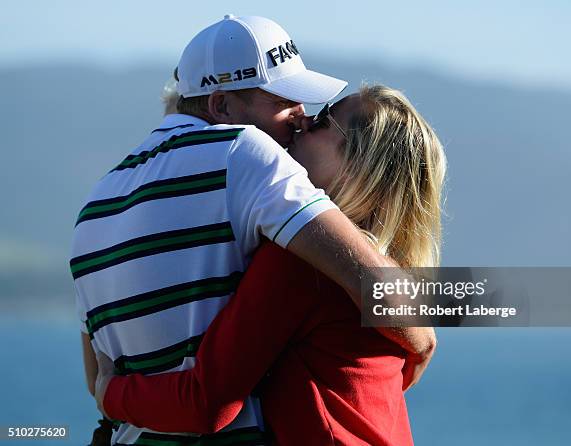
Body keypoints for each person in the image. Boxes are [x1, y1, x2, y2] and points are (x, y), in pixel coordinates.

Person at [72, 15, 435, 446]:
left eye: (317, 120)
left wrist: (111, 395)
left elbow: (99, 370)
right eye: (285, 101)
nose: (301, 118)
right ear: (222, 107)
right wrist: (423, 336)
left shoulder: (95, 207)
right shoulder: (248, 156)